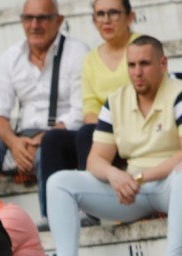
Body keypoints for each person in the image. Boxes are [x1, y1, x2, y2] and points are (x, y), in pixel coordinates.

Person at [46, 36, 182, 256]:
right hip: (137, 189)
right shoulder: (115, 101)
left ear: (163, 63)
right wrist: (116, 175)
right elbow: (95, 160)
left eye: (145, 64)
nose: (137, 72)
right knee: (59, 182)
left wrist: (137, 177)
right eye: (131, 65)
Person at [0, 0, 86, 204]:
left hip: (63, 137)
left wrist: (44, 139)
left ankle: (51, 221)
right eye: (28, 18)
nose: (34, 25)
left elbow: (81, 110)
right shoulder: (10, 57)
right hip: (20, 139)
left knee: (48, 150)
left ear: (58, 21)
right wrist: (14, 144)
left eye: (42, 18)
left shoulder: (77, 52)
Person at [33, 0, 136, 203]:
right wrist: (106, 133)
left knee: (87, 134)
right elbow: (89, 109)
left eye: (113, 13)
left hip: (136, 127)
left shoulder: (143, 47)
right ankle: (51, 212)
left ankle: (89, 207)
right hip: (105, 134)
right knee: (54, 139)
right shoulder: (90, 59)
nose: (106, 20)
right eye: (100, 14)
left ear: (130, 17)